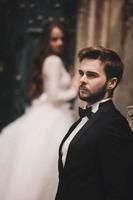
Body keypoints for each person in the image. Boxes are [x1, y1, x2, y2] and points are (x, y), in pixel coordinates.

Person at [0, 21, 77, 200]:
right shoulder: (53, 60)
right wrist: (74, 87)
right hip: (54, 115)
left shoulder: (52, 60)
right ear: (46, 41)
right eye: (54, 39)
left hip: (53, 114)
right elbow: (53, 96)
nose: (59, 43)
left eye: (62, 39)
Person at [55, 46, 133, 200]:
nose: (82, 80)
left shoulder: (114, 125)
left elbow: (120, 190)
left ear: (111, 83)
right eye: (81, 73)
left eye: (91, 75)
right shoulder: (82, 120)